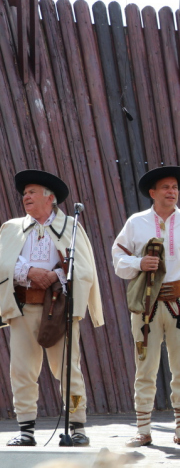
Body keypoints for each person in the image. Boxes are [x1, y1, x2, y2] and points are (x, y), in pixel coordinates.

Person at [0, 170, 104, 446]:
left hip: (59, 307)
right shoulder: (11, 228)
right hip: (23, 307)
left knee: (68, 367)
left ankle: (77, 426)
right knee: (21, 369)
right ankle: (26, 430)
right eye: (24, 194)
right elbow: (2, 263)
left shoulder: (71, 226)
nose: (26, 197)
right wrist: (30, 271)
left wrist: (55, 275)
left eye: (32, 192)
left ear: (50, 198)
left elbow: (83, 268)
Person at [112, 166, 180, 447]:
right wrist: (138, 263)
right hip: (147, 303)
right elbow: (117, 257)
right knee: (145, 366)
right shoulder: (136, 222)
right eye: (166, 187)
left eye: (175, 188)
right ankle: (143, 430)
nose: (172, 192)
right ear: (152, 193)